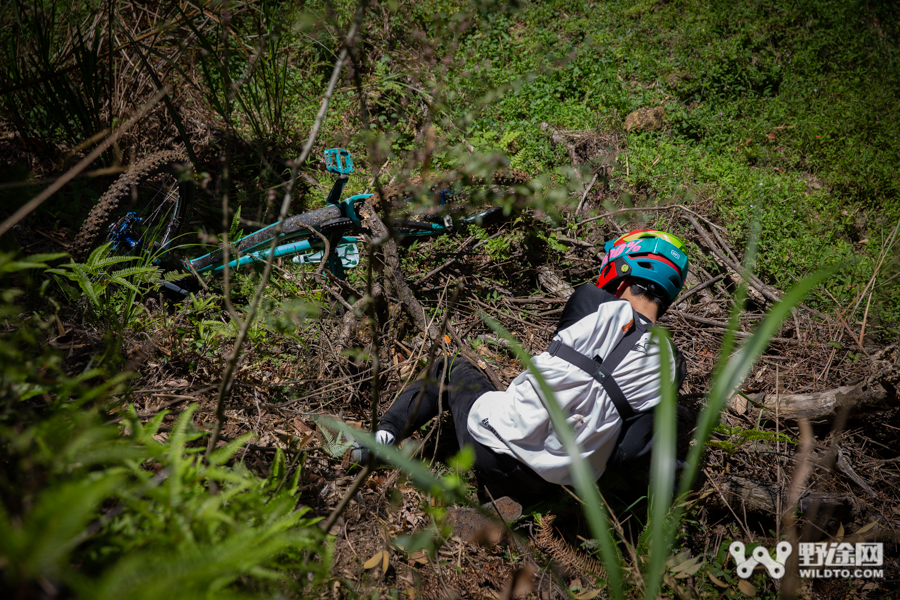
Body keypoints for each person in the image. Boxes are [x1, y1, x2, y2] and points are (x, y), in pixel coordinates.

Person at [353, 229, 690, 506]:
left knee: (450, 368)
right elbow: (628, 453)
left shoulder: (589, 301)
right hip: (549, 486)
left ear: (621, 271)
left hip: (488, 446)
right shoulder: (672, 365)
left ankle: (382, 437)